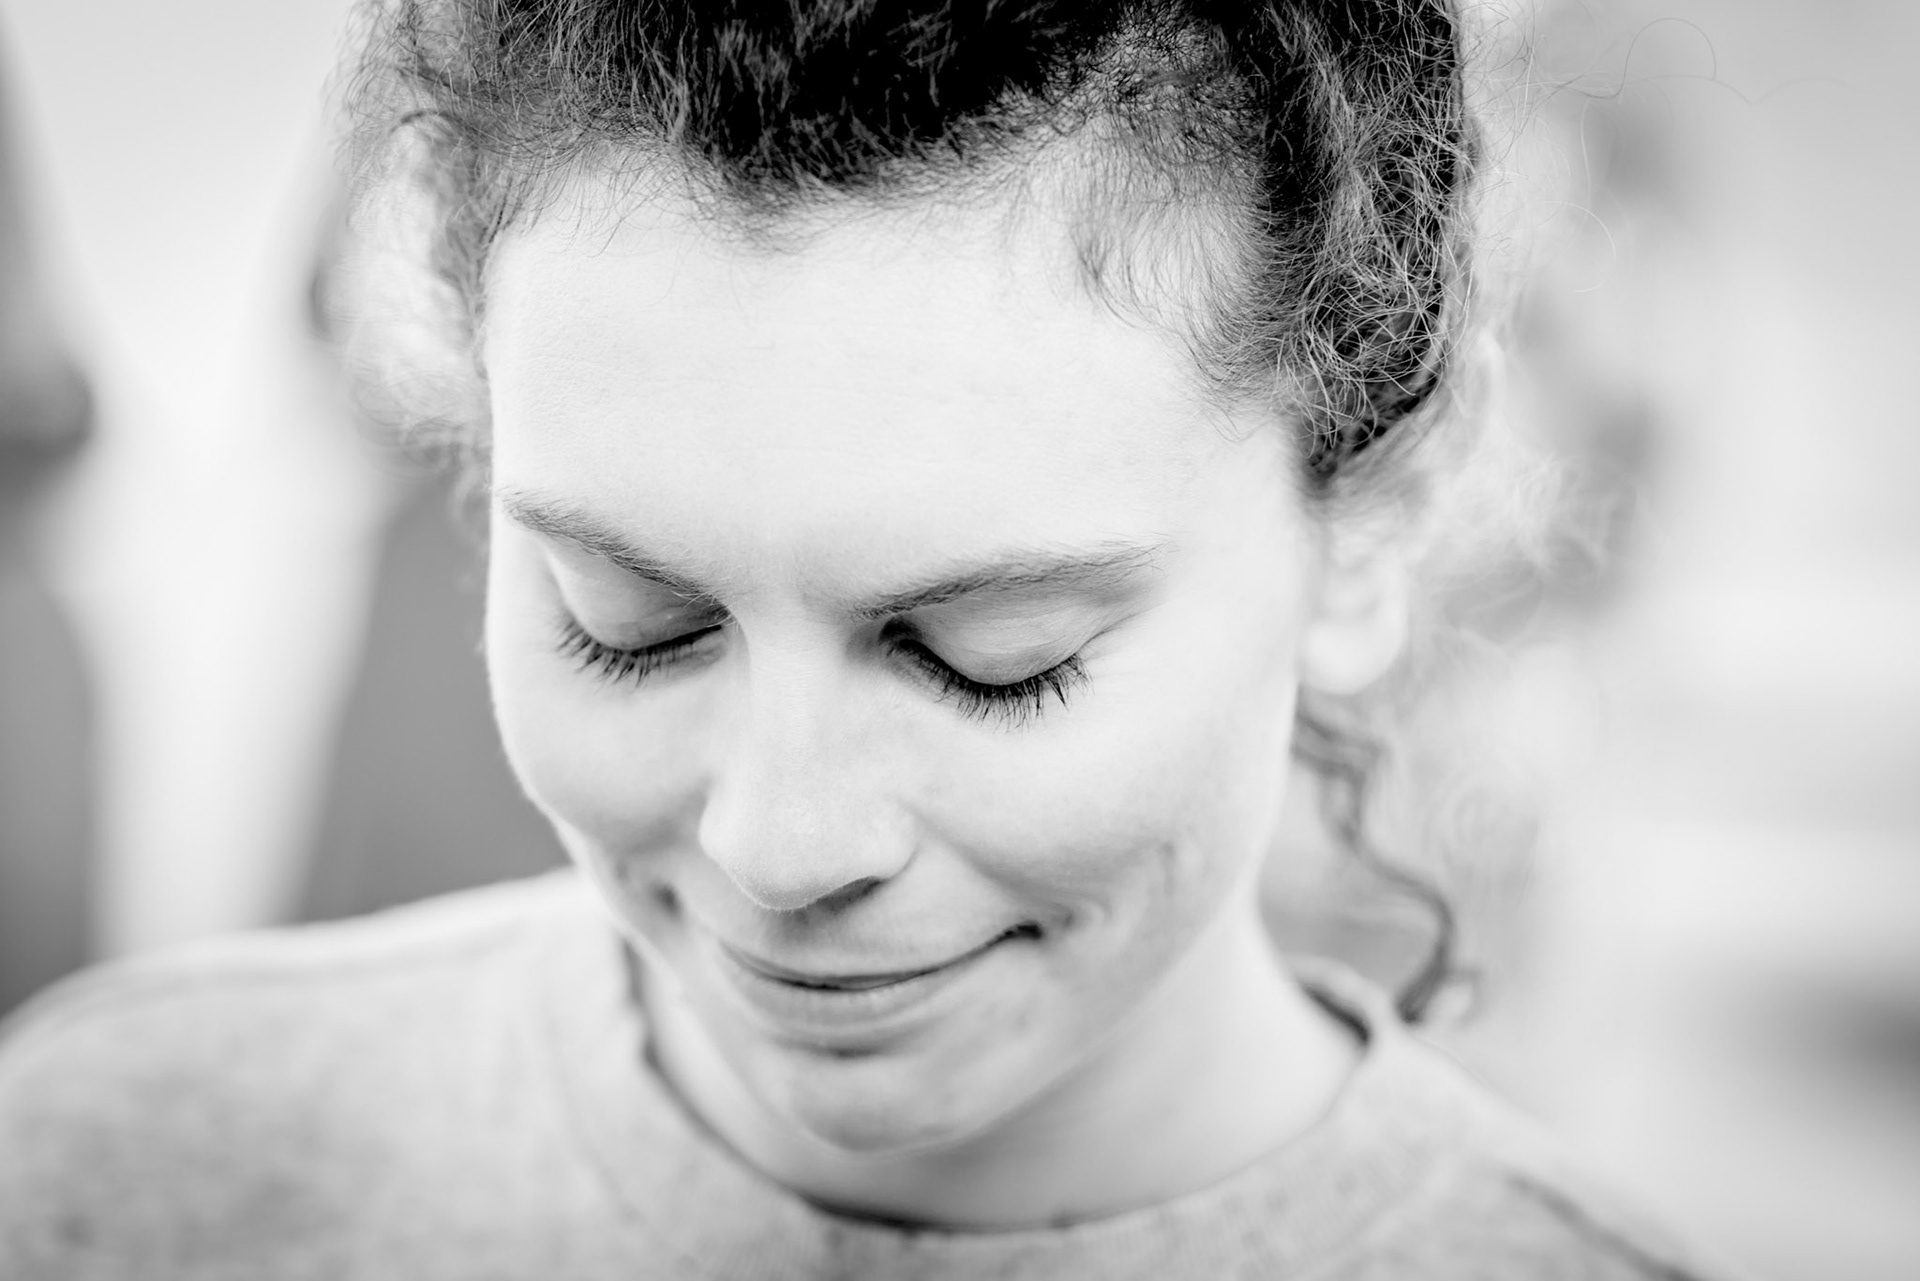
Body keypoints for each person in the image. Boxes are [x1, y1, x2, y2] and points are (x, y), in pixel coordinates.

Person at [0, 0, 1744, 1276]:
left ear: (1368, 526)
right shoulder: (135, 1176)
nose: (779, 848)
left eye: (992, 655)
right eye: (630, 625)